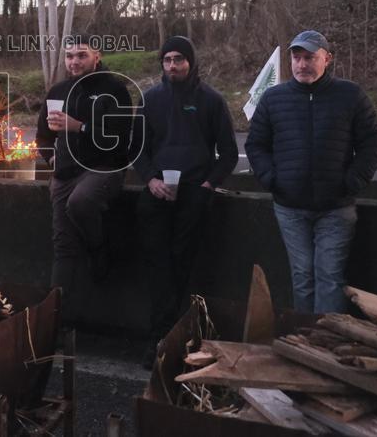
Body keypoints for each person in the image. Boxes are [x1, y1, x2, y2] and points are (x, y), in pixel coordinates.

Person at [246, 30, 377, 314]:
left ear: (327, 59)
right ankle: (305, 335)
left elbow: (373, 144)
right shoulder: (273, 99)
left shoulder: (350, 95)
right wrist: (271, 179)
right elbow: (256, 145)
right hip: (290, 208)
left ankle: (328, 338)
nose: (302, 64)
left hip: (336, 208)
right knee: (302, 277)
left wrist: (352, 181)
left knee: (330, 278)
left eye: (309, 57)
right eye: (297, 58)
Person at [133, 36, 238, 366]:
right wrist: (150, 179)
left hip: (194, 193)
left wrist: (207, 185)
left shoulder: (211, 100)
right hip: (157, 194)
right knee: (158, 266)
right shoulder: (150, 100)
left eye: (179, 59)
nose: (173, 65)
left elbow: (228, 153)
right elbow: (138, 149)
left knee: (184, 266)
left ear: (190, 62)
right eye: (167, 60)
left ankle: (181, 339)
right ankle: (157, 339)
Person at [35, 36, 134, 319]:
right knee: (63, 247)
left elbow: (120, 138)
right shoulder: (58, 91)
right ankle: (56, 319)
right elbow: (43, 136)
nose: (74, 61)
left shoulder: (114, 89)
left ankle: (98, 247)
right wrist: (51, 158)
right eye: (69, 56)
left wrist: (80, 127)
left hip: (104, 168)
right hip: (65, 172)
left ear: (96, 56)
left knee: (80, 202)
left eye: (81, 55)